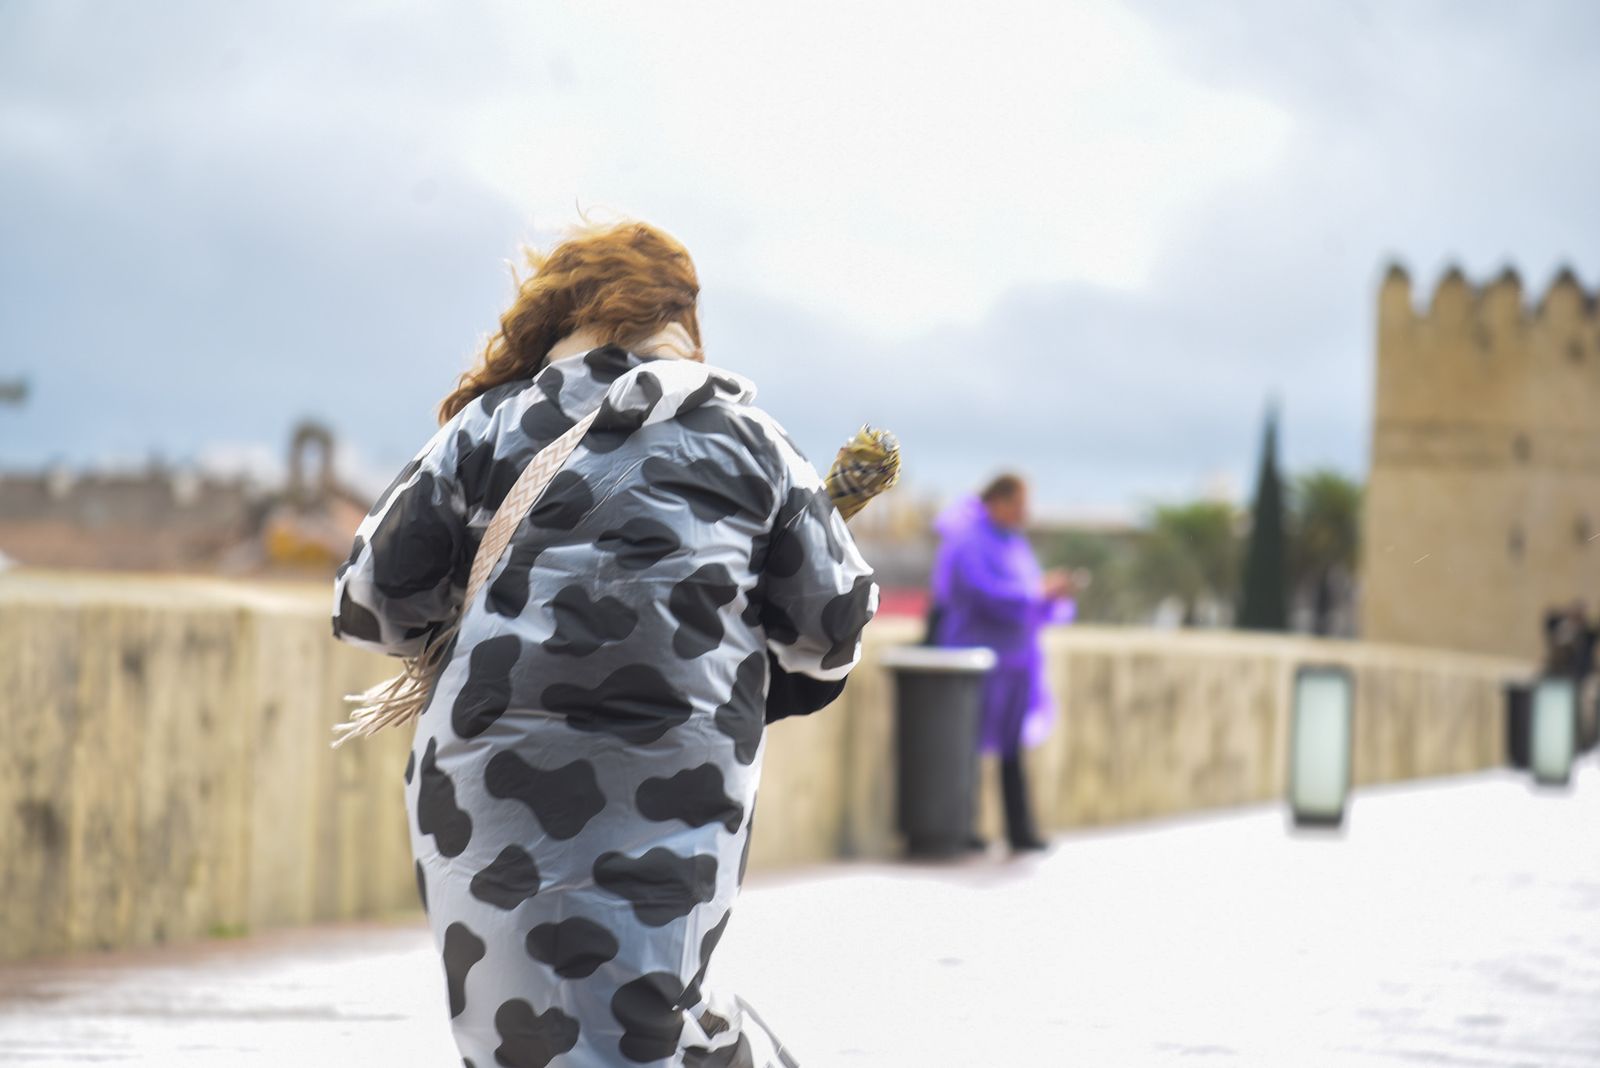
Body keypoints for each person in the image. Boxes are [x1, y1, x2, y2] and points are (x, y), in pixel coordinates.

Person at [333, 220, 877, 1067]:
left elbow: (371, 605)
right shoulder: (754, 441)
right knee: (656, 1002)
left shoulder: (486, 428)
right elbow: (832, 628)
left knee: (514, 1020)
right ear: (681, 321)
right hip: (680, 773)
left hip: (489, 776)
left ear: (558, 313)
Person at [930, 474, 1073, 853]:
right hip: (976, 659)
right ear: (999, 500)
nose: (1025, 512)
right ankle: (962, 830)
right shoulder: (970, 540)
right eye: (1020, 503)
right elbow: (985, 594)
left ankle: (1020, 830)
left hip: (1016, 662)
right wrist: (1037, 593)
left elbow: (1028, 596)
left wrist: (1047, 595)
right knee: (967, 746)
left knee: (1011, 748)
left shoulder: (1015, 542)